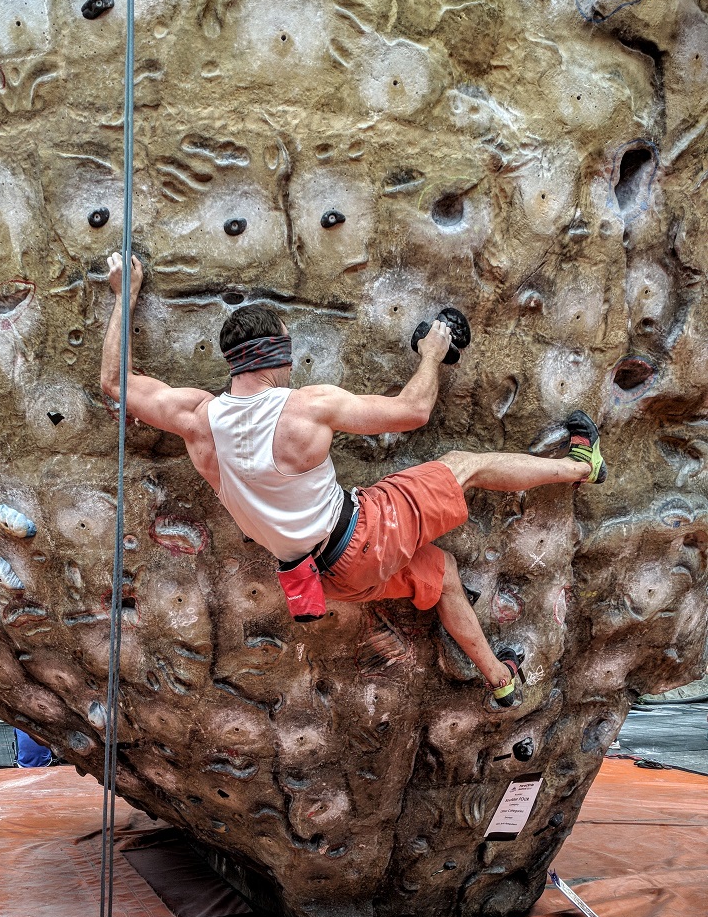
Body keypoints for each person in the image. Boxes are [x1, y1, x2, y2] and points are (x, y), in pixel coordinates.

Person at [101, 253, 606, 708]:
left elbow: (114, 383)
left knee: (444, 573)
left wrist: (125, 295)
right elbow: (414, 410)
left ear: (234, 363)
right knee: (462, 466)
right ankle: (584, 465)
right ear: (280, 356)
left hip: (327, 581)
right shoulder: (306, 408)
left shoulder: (196, 420)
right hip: (364, 536)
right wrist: (433, 353)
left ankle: (500, 679)